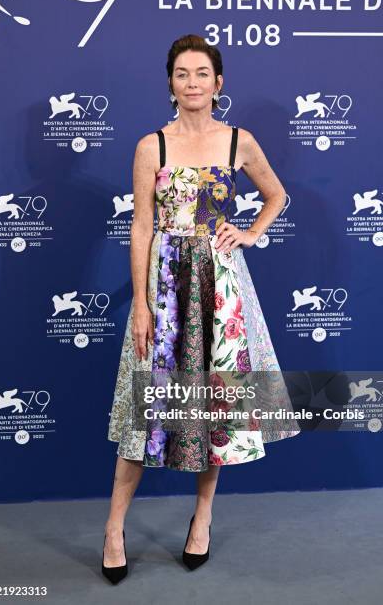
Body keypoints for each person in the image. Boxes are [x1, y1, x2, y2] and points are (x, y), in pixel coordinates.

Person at [102, 34, 300, 584]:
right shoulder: (151, 147)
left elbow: (276, 194)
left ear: (219, 82)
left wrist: (251, 232)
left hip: (221, 290)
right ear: (171, 83)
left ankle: (202, 520)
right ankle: (115, 528)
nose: (193, 83)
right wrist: (140, 304)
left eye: (202, 73)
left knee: (214, 409)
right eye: (183, 73)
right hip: (164, 290)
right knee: (149, 411)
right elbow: (141, 226)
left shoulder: (239, 140)